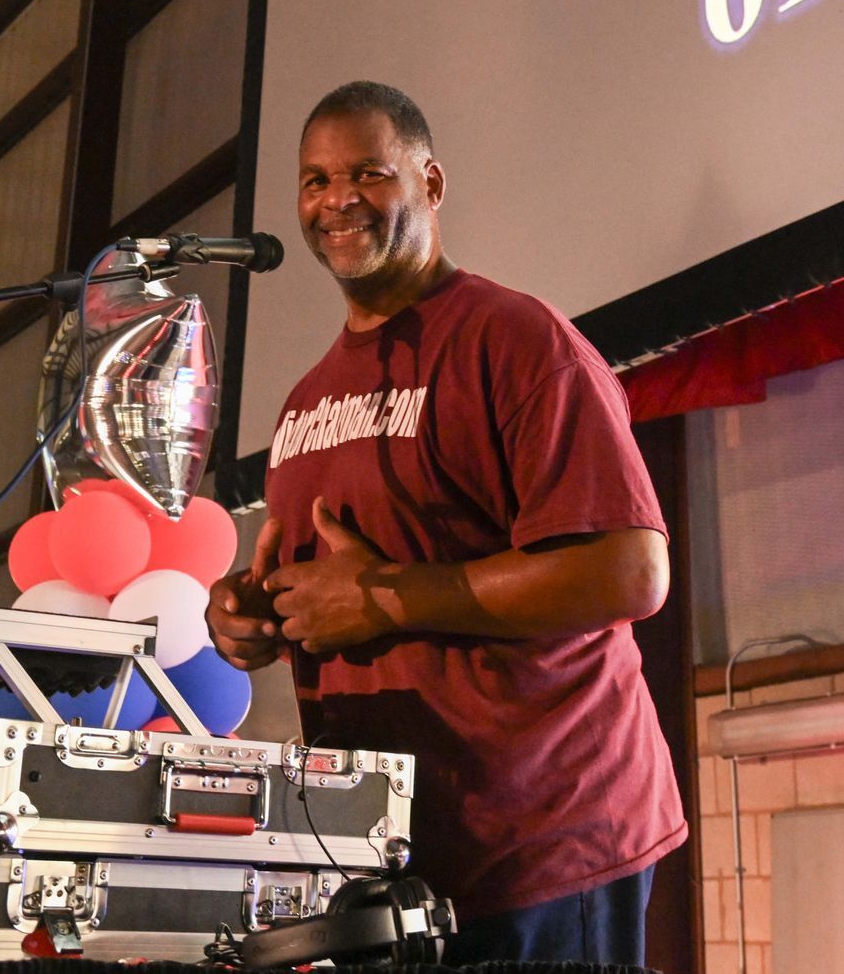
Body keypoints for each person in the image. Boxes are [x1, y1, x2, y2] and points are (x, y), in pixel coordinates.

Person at [207, 81, 684, 966]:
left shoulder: (516, 339)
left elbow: (630, 571)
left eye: (367, 172)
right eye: (314, 181)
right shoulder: (305, 399)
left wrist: (389, 598)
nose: (335, 199)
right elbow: (331, 595)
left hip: (544, 838)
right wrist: (250, 616)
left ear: (430, 184)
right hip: (393, 864)